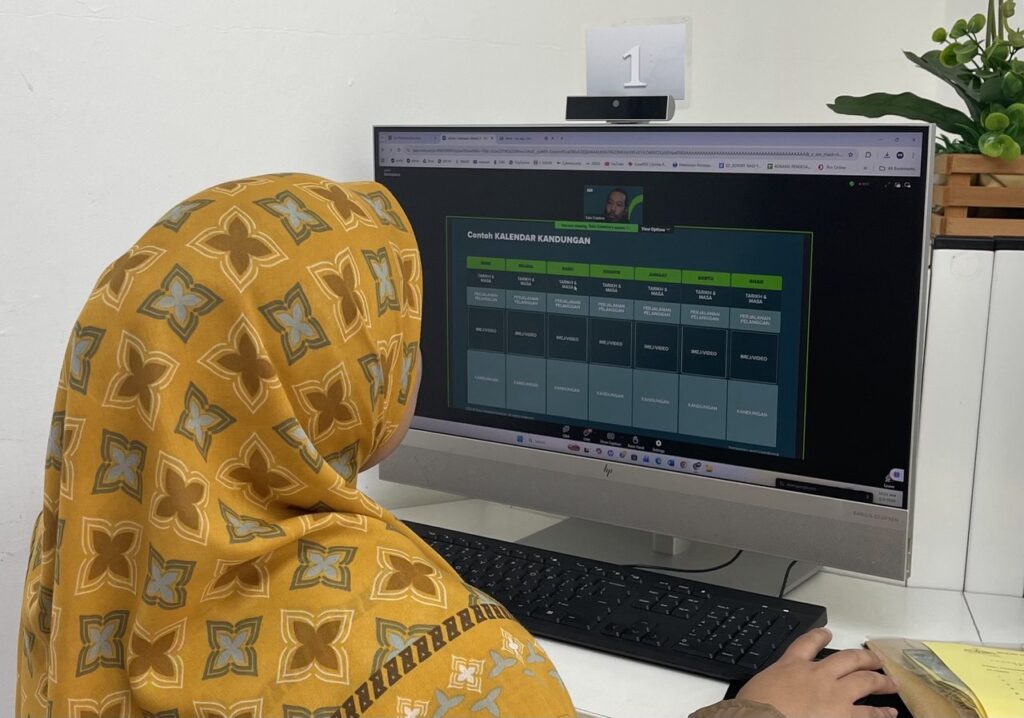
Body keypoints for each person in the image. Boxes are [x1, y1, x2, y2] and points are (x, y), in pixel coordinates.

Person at [18, 174, 898, 718]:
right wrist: (763, 715)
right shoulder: (425, 647)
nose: (415, 356)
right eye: (396, 332)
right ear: (321, 378)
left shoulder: (91, 564)